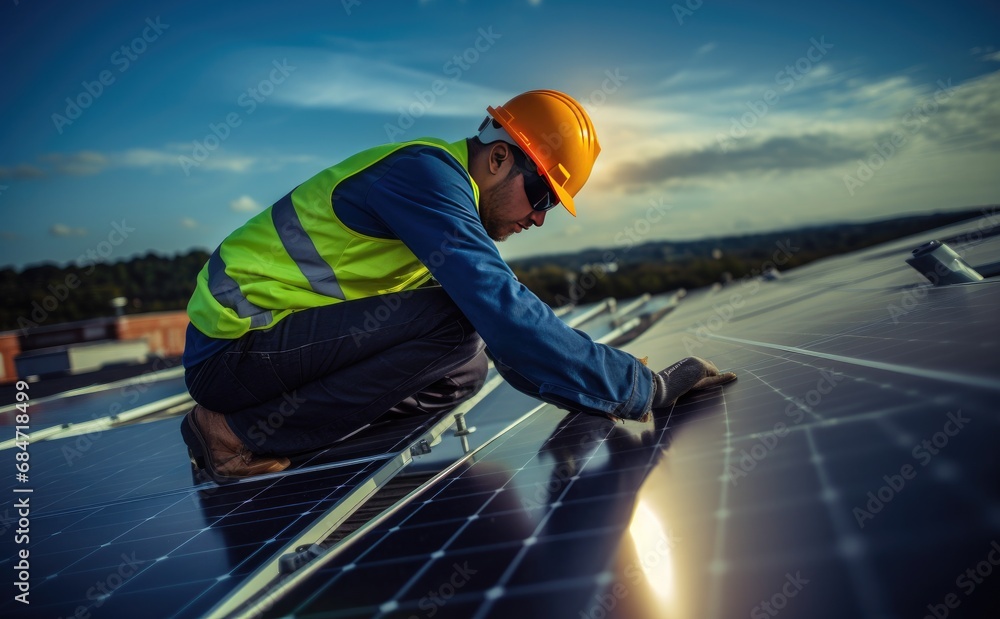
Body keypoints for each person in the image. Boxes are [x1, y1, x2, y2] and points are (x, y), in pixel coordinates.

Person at [180, 89, 736, 482]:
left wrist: (592, 392)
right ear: (498, 157)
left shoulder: (448, 190)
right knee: (456, 323)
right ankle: (234, 432)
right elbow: (501, 311)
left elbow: (511, 351)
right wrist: (643, 388)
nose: (539, 219)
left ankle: (280, 432)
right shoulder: (426, 178)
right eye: (541, 197)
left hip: (272, 345)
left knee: (462, 371)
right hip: (234, 349)